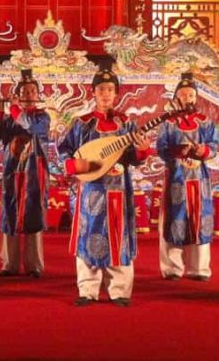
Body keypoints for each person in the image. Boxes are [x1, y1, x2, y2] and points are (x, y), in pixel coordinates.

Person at [57, 61, 150, 307]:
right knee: (88, 234)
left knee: (118, 235)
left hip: (119, 188)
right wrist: (76, 166)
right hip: (91, 191)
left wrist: (142, 150)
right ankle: (87, 289)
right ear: (93, 93)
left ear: (116, 93)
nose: (106, 94)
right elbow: (63, 151)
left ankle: (119, 290)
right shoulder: (82, 123)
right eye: (101, 90)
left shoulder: (126, 124)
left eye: (110, 89)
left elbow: (134, 159)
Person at [0, 68, 50, 278]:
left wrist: (13, 109)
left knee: (33, 211)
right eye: (25, 91)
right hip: (11, 170)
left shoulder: (43, 117)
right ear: (18, 94)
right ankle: (8, 263)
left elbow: (30, 127)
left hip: (34, 170)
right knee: (10, 212)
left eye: (33, 91)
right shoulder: (9, 118)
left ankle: (34, 265)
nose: (29, 95)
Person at [156, 73, 219, 281]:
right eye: (183, 95)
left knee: (200, 219)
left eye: (191, 95)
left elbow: (214, 146)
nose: (188, 98)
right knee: (173, 219)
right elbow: (161, 149)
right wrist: (178, 151)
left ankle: (199, 269)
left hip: (199, 178)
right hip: (176, 177)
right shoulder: (168, 123)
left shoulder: (205, 122)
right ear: (176, 97)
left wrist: (203, 151)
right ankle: (172, 268)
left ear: (196, 97)